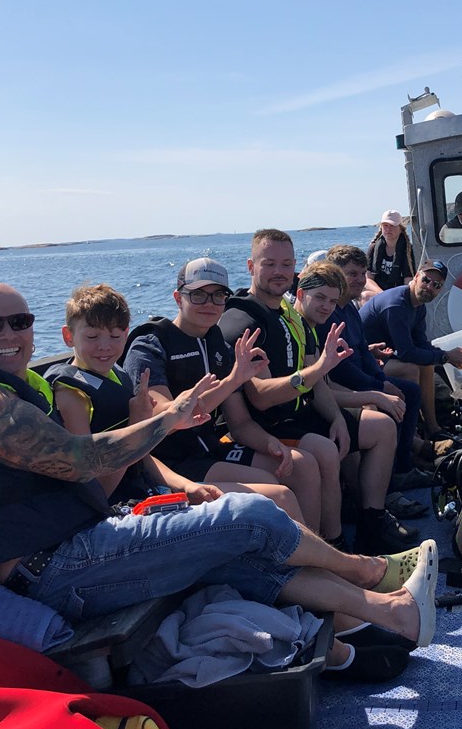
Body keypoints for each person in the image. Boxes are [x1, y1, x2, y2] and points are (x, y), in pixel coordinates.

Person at [0, 282, 441, 680]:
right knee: (249, 515)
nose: (8, 334)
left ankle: (391, 614)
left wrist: (175, 429)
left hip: (87, 541)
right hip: (51, 568)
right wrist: (164, 419)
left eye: (19, 321)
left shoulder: (19, 386)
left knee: (245, 558)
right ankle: (371, 571)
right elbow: (76, 460)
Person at [218, 230, 417, 555]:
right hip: (272, 424)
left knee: (381, 427)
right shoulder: (244, 322)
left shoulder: (289, 317)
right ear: (251, 266)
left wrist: (337, 417)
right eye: (269, 264)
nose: (279, 271)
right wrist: (319, 369)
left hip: (301, 413)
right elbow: (262, 397)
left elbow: (319, 383)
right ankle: (333, 547)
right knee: (323, 451)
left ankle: (371, 526)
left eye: (286, 264)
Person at [45, 283, 301, 520]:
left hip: (152, 486)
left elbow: (144, 457)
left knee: (280, 493)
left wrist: (186, 486)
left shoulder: (117, 376)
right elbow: (96, 490)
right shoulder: (72, 395)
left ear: (126, 334)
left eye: (115, 336)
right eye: (92, 337)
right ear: (69, 337)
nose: (105, 347)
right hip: (116, 511)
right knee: (278, 498)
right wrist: (137, 426)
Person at [121, 258, 326, 532]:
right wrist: (233, 380)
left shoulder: (218, 345)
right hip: (172, 462)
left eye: (218, 295)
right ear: (178, 298)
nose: (209, 303)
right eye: (198, 295)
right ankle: (307, 556)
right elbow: (165, 422)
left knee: (301, 465)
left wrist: (269, 443)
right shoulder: (150, 346)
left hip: (211, 448)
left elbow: (240, 423)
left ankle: (324, 546)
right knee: (277, 493)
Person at [323, 245, 430, 494]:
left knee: (410, 391)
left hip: (360, 377)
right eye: (352, 274)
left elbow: (362, 349)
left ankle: (403, 467)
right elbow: (341, 368)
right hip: (342, 386)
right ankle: (388, 486)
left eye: (363, 273)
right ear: (334, 274)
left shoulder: (350, 308)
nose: (361, 280)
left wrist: (382, 380)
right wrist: (379, 387)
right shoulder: (328, 314)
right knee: (390, 402)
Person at [359, 259, 462, 439]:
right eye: (426, 280)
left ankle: (432, 428)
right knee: (410, 369)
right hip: (363, 361)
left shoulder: (418, 307)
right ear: (416, 277)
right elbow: (406, 352)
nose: (429, 287)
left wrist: (446, 355)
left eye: (436, 285)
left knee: (427, 364)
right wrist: (446, 357)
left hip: (384, 357)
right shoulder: (396, 305)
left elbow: (421, 344)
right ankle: (412, 435)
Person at [367, 210, 417, 292]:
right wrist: (381, 293)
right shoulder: (373, 248)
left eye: (392, 226)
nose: (388, 229)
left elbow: (408, 280)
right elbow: (368, 279)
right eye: (385, 226)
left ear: (400, 228)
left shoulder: (408, 250)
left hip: (398, 291)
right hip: (378, 292)